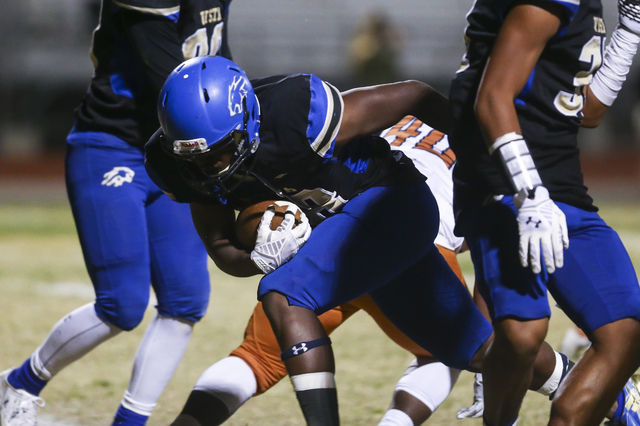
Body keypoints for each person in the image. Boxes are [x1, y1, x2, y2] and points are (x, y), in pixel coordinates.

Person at [145, 55, 578, 425]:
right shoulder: (179, 164)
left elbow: (415, 95)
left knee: (285, 297)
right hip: (344, 234)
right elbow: (223, 249)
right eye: (196, 157)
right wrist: (260, 256)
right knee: (476, 349)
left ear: (249, 118)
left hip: (391, 202)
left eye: (220, 150)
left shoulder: (297, 114)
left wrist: (482, 161)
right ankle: (607, 396)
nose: (211, 166)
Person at [0, 1, 232, 425]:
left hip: (175, 152)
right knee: (121, 305)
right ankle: (19, 384)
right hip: (113, 144)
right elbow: (176, 85)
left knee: (185, 302)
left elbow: (216, 57)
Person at [169, 116, 469, 425]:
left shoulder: (398, 120)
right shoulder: (486, 140)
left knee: (257, 358)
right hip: (411, 242)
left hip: (333, 239)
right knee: (449, 352)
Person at [448, 0, 640, 423]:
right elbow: (492, 98)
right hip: (505, 180)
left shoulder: (585, 5)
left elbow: (586, 112)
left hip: (562, 180)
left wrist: (630, 30)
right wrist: (530, 194)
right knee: (523, 333)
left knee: (625, 331)